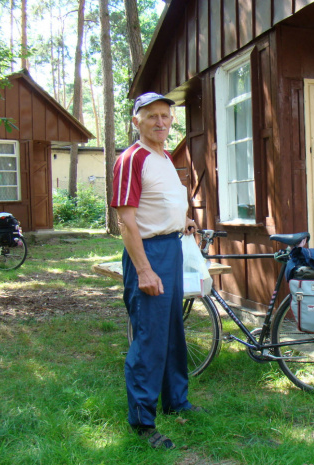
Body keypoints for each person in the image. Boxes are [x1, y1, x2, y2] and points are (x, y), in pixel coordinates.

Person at [111, 92, 201, 450]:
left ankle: (176, 399)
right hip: (147, 254)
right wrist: (144, 271)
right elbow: (126, 220)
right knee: (149, 336)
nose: (160, 122)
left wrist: (184, 221)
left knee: (172, 330)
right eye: (151, 116)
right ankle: (143, 422)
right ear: (136, 121)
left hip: (172, 248)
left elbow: (160, 202)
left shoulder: (163, 157)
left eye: (165, 115)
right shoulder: (132, 159)